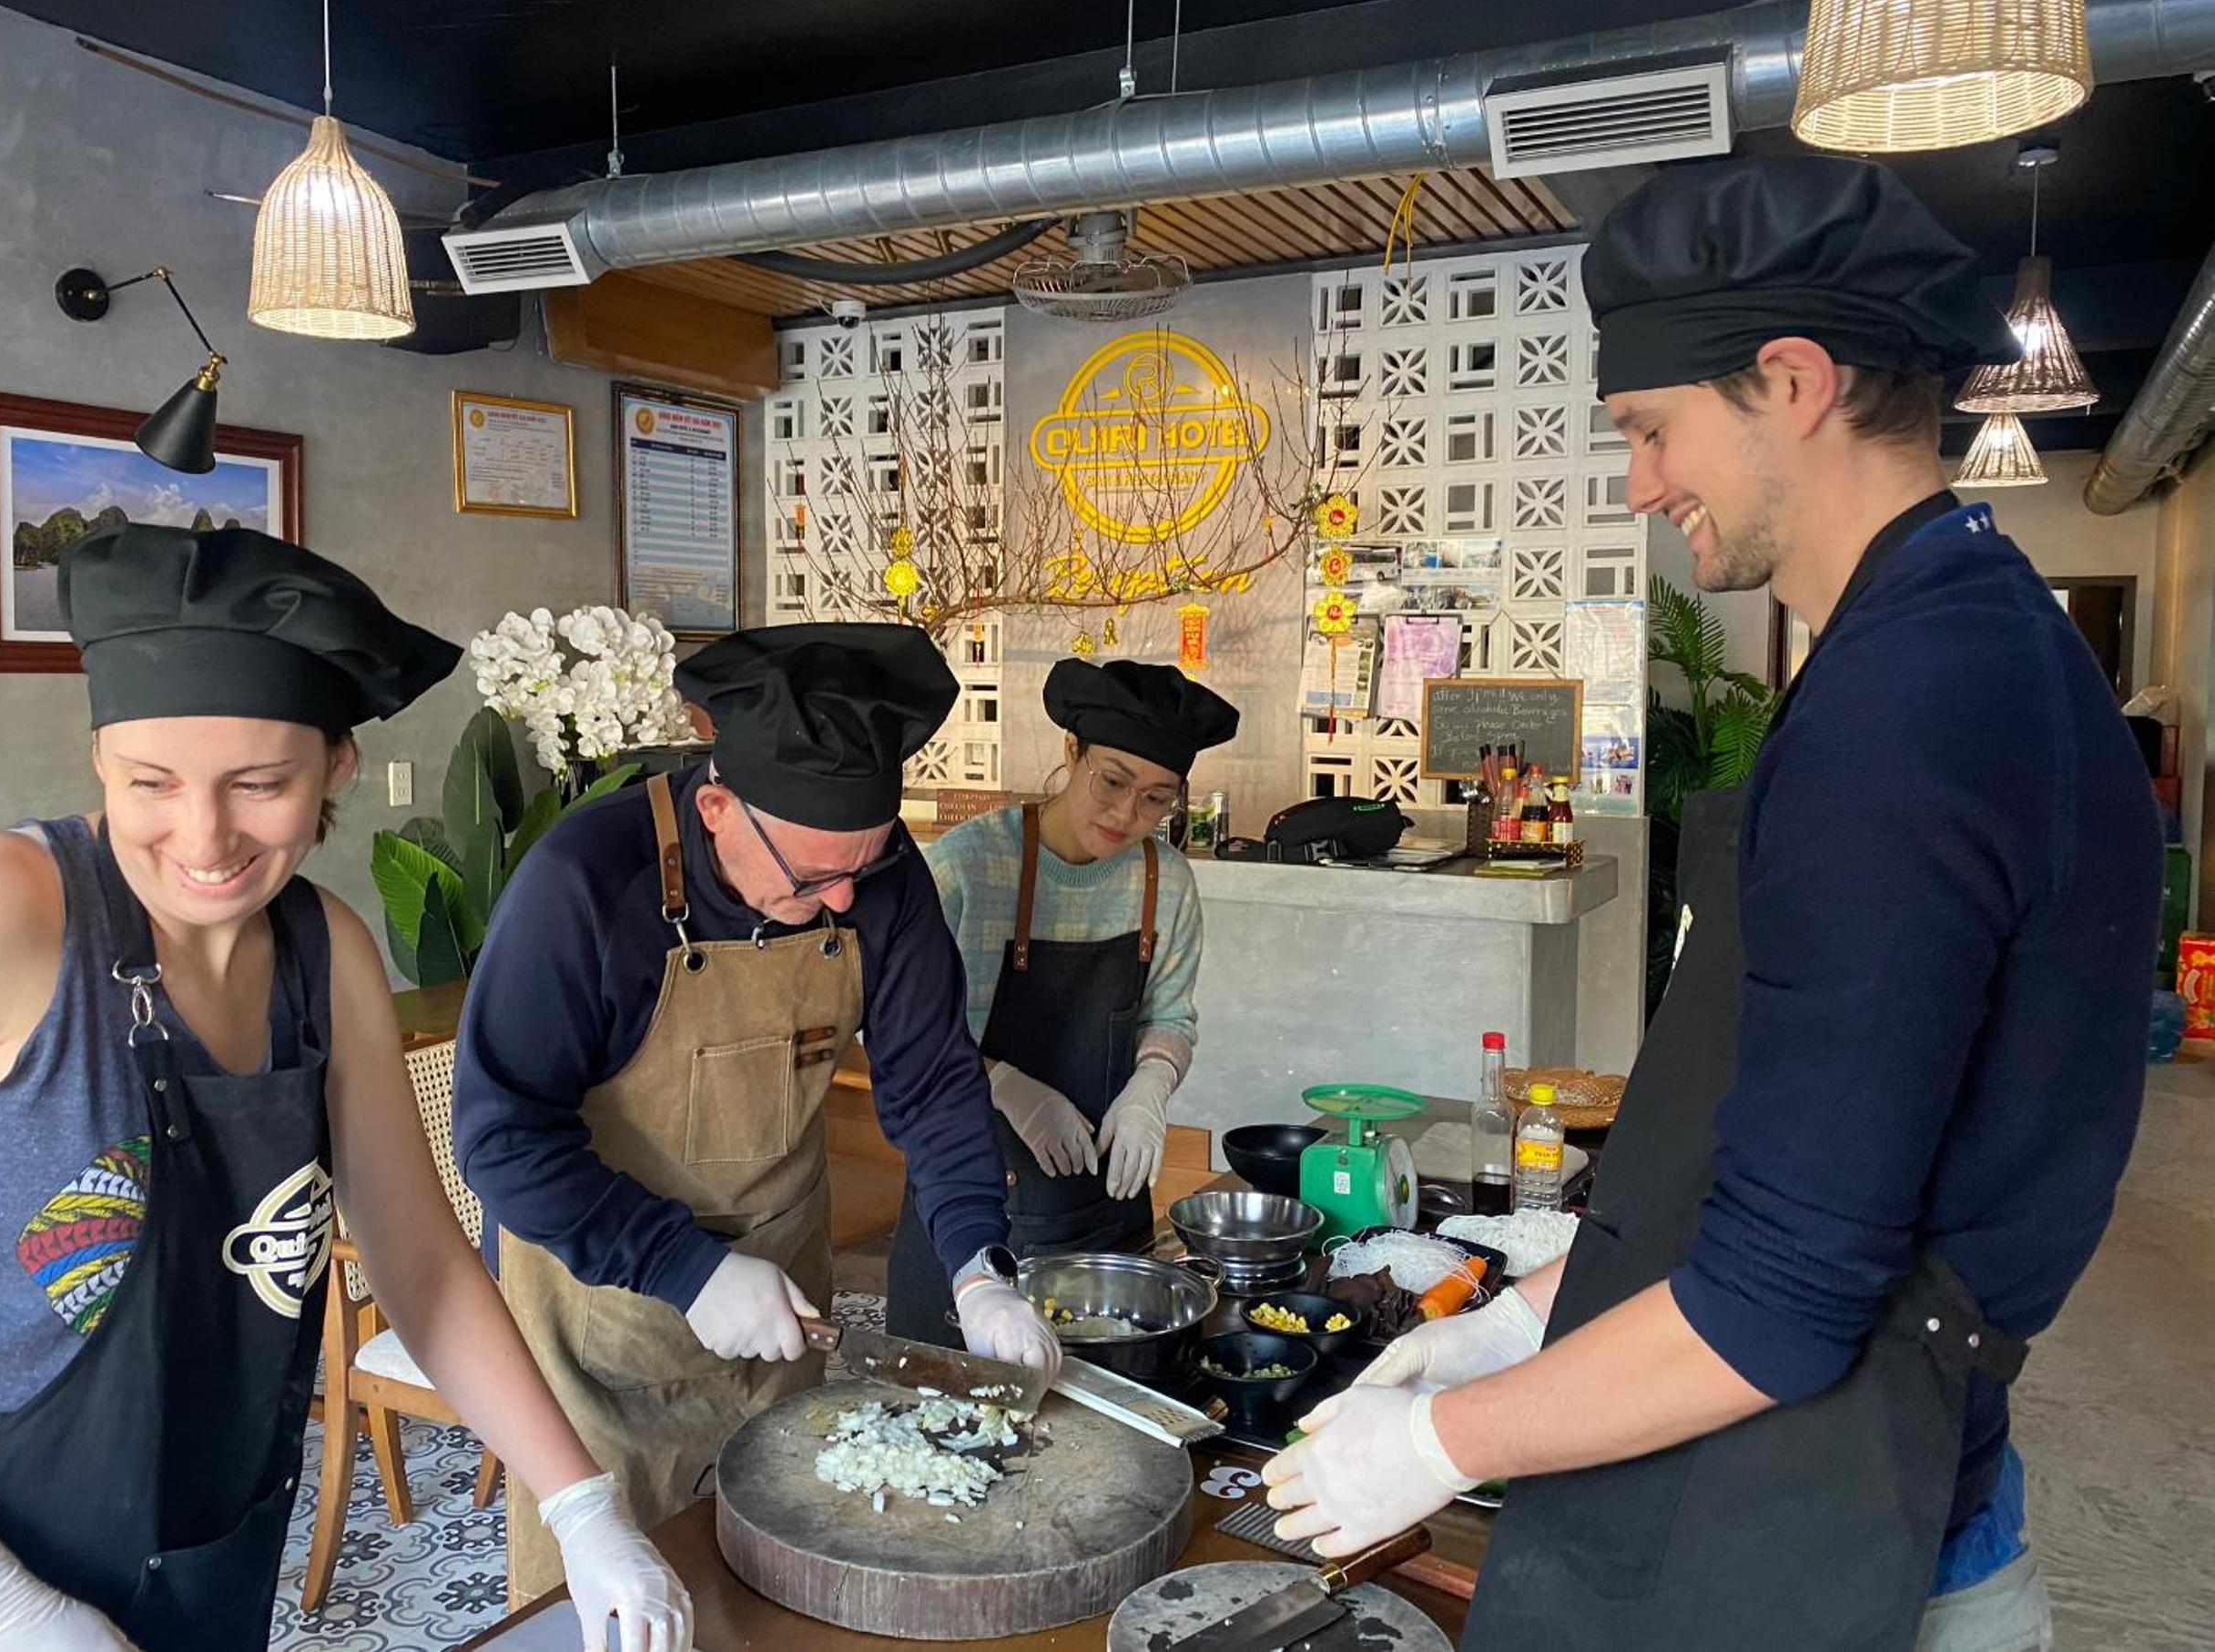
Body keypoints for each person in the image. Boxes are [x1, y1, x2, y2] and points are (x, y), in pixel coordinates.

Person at [1265, 156, 2160, 1652]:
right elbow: (1799, 1156)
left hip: (1835, 1533)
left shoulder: (1904, 710)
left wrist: (1436, 1441)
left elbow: (1778, 1298)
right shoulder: (1964, 633)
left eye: (1649, 427)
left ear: (1792, 383)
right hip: (1867, 1482)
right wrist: (1522, 1314)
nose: (1637, 482)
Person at [0, 526, 688, 1652]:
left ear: (335, 768)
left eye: (259, 785)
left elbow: (418, 1262)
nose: (204, 837)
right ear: (99, 755)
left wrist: (581, 1504)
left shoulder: (325, 953)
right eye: (150, 783)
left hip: (201, 1541)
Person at [452, 622, 1062, 1602]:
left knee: (775, 1588)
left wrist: (979, 1269)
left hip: (787, 1308)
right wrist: (683, 1268)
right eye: (812, 878)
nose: (844, 900)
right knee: (623, 1608)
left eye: (863, 868)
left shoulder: (876, 877)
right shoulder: (582, 882)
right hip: (604, 1326)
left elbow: (935, 1082)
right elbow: (501, 1137)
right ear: (717, 808)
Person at [885, 658, 1239, 1339]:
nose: (1127, 814)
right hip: (967, 1193)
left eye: (1156, 799)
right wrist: (1008, 1086)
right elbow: (894, 1031)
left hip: (1103, 1202)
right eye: (1113, 781)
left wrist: (1150, 1087)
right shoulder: (967, 865)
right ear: (1072, 751)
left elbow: (1170, 1015)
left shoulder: (1165, 881)